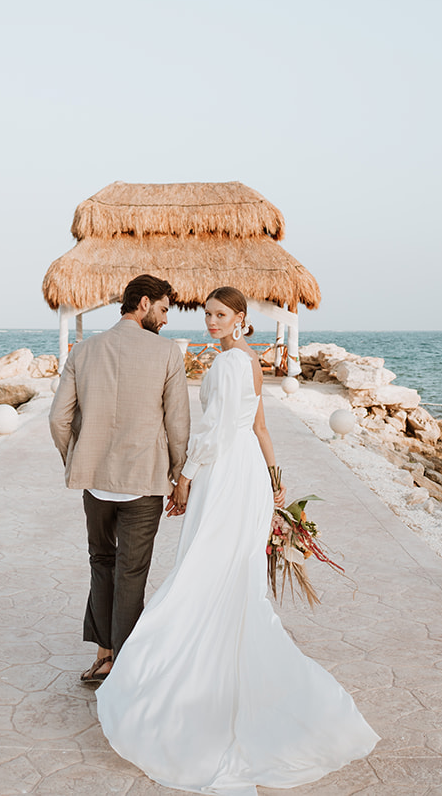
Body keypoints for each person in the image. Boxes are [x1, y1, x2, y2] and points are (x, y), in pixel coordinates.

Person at [97, 286, 378, 795]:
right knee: (228, 574)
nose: (211, 322)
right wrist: (273, 478)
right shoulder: (249, 361)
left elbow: (218, 431)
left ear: (241, 318)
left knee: (201, 571)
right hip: (246, 472)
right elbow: (261, 427)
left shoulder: (228, 363)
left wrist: (184, 477)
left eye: (220, 315)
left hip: (224, 474)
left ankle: (179, 676)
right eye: (207, 315)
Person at [49, 273, 191, 685]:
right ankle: (121, 664)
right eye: (163, 309)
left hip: (95, 481)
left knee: (102, 561)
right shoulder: (167, 353)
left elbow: (59, 418)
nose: (165, 319)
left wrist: (77, 459)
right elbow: (177, 422)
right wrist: (179, 474)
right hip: (143, 481)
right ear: (144, 303)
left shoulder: (85, 349)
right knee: (131, 570)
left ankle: (103, 653)